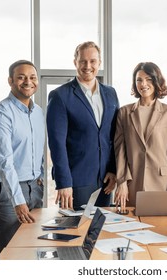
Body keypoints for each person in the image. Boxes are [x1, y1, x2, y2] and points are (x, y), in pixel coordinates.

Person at [46, 41, 119, 210]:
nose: (88, 66)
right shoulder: (60, 96)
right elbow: (57, 144)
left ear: (99, 63)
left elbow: (115, 135)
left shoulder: (110, 93)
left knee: (102, 231)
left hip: (106, 179)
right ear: (75, 63)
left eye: (93, 61)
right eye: (83, 61)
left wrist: (114, 170)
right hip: (76, 180)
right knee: (78, 232)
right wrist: (64, 183)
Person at [0, 60, 45, 259]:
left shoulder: (38, 112)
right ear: (10, 81)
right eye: (21, 77)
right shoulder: (1, 113)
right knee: (9, 251)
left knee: (32, 247)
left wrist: (39, 179)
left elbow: (38, 152)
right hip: (5, 191)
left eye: (32, 77)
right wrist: (17, 201)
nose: (28, 82)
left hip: (34, 187)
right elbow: (4, 163)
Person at [114, 62, 167, 211]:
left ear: (156, 81)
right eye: (139, 80)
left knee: (160, 229)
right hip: (133, 183)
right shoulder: (124, 113)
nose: (143, 84)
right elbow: (120, 151)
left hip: (162, 184)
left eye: (148, 79)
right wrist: (121, 182)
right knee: (133, 229)